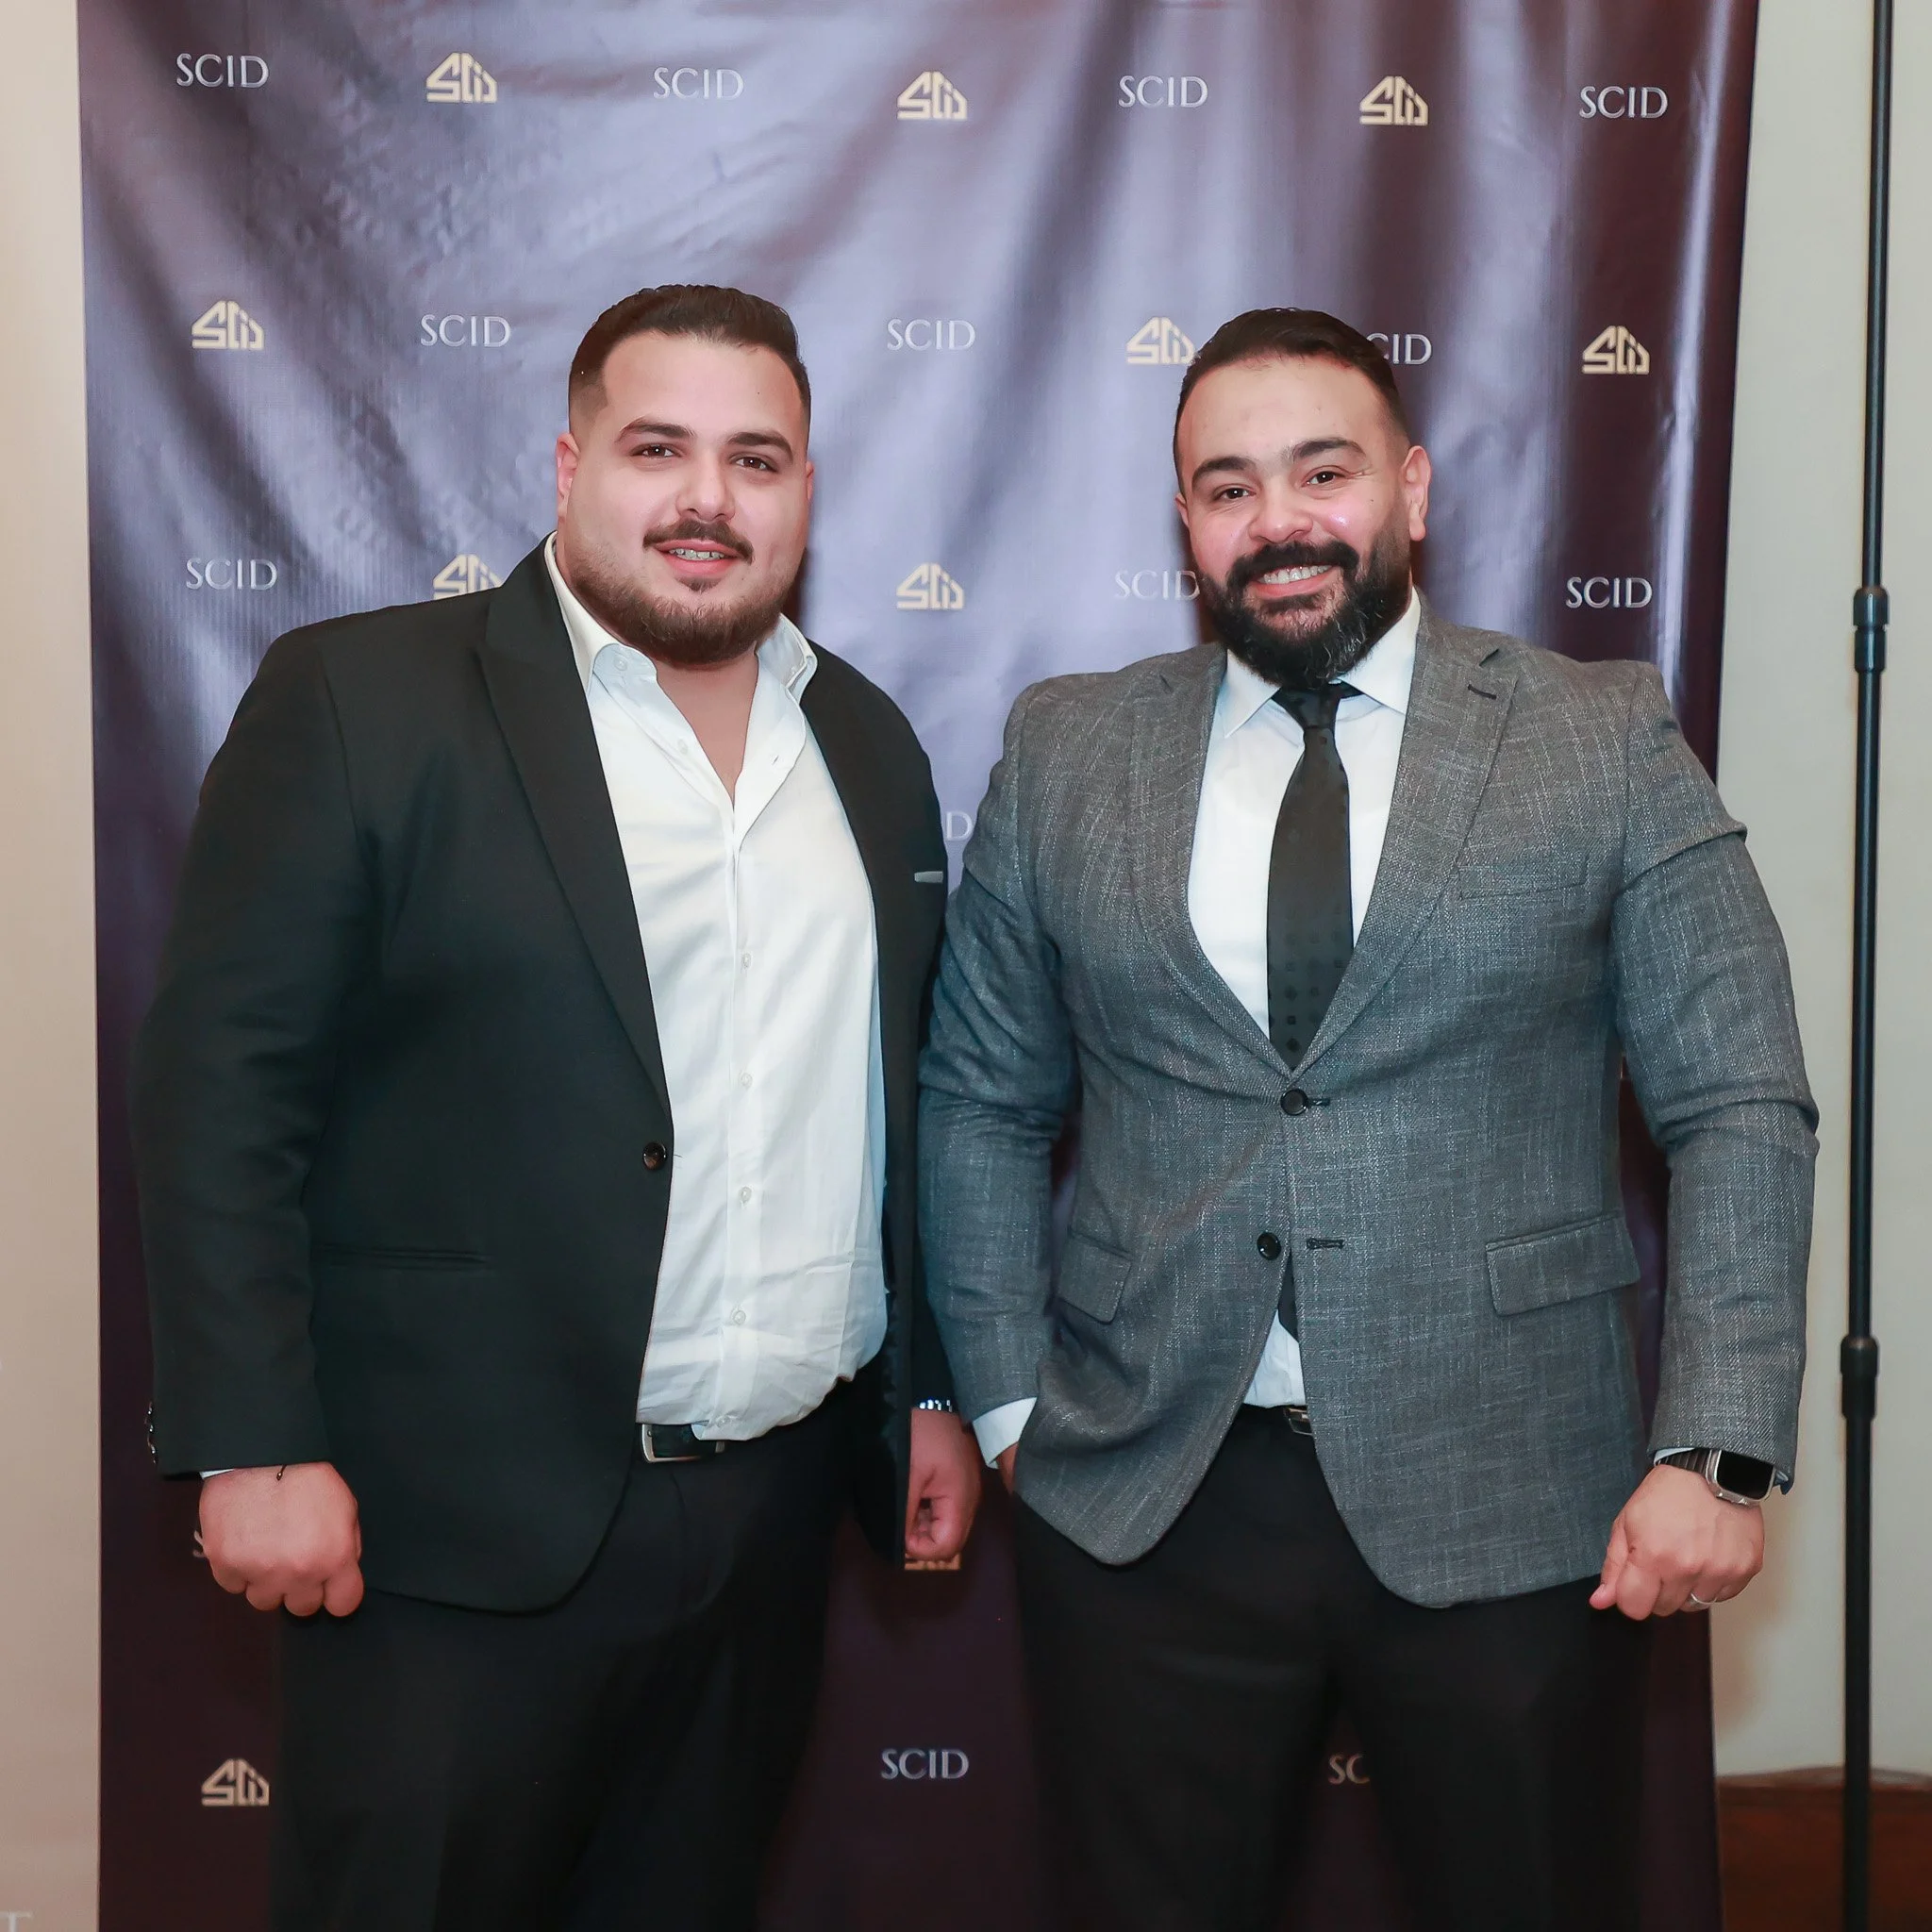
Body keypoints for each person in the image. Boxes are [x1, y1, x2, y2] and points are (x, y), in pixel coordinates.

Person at [918, 308, 1813, 1932]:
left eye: (1320, 472)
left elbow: (1740, 1098)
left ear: (1409, 489)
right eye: (1227, 487)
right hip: (1145, 1502)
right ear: (1185, 528)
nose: (1280, 524)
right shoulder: (1068, 748)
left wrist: (1716, 1450)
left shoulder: (1600, 733)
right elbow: (981, 1096)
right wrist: (1005, 1416)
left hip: (1521, 1495)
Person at [134, 282, 981, 1932]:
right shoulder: (359, 701)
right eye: (658, 448)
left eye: (758, 459)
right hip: (446, 1533)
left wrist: (926, 1389)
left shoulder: (864, 748)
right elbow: (223, 1089)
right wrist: (255, 1438)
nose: (705, 500)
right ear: (568, 461)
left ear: (809, 491)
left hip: (769, 1522)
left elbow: (890, 1110)